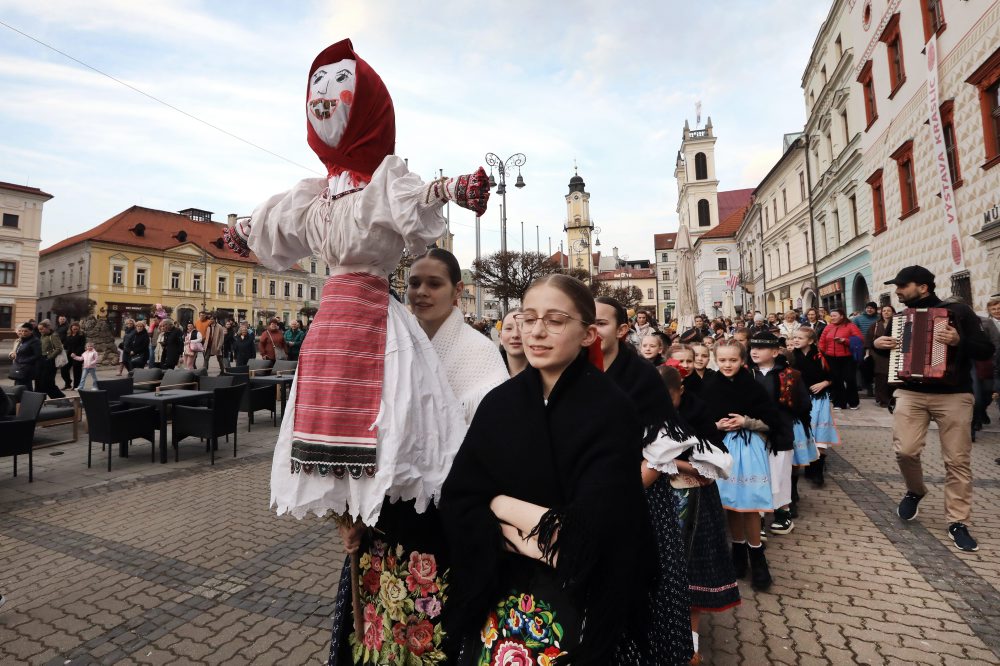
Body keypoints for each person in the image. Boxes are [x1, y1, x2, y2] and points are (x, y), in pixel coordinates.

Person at [224, 39, 492, 666]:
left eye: (337, 92)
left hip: (369, 315)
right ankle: (349, 512)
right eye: (317, 92)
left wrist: (455, 188)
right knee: (333, 419)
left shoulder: (381, 186)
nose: (322, 102)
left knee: (396, 415)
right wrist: (239, 234)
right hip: (335, 326)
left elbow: (420, 196)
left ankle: (374, 516)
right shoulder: (313, 195)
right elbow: (276, 228)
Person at [442, 275, 661, 665]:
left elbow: (586, 540)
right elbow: (459, 498)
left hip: (580, 605)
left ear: (588, 334)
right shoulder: (499, 404)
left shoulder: (611, 410)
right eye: (528, 319)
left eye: (555, 320)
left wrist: (496, 505)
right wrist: (539, 527)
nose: (537, 332)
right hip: (499, 592)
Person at [596, 296, 696, 665]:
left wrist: (619, 491)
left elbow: (664, 444)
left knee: (648, 589)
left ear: (623, 330)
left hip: (640, 499)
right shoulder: (575, 370)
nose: (591, 328)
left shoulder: (642, 377)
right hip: (591, 502)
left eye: (601, 323)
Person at [874, 266, 994, 552]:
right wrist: (879, 345)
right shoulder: (900, 318)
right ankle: (915, 491)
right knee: (905, 450)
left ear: (923, 287)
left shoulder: (959, 312)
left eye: (903, 286)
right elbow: (889, 350)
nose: (898, 291)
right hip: (910, 392)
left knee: (957, 460)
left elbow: (986, 349)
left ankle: (957, 521)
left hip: (953, 394)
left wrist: (958, 341)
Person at [655, 365, 740, 663]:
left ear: (681, 392)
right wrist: (680, 464)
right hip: (657, 498)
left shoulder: (697, 411)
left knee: (692, 574)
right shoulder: (642, 411)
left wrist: (681, 464)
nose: (664, 406)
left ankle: (689, 647)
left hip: (696, 500)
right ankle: (661, 638)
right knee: (661, 570)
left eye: (670, 398)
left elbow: (714, 463)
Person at [706, 339, 789, 591]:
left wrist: (746, 421)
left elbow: (771, 421)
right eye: (722, 360)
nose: (727, 364)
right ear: (716, 360)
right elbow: (699, 421)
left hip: (750, 448)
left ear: (742, 361)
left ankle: (758, 557)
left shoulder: (752, 387)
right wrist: (716, 425)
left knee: (751, 504)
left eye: (733, 360)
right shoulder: (710, 386)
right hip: (722, 450)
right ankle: (738, 553)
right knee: (731, 503)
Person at [748, 331, 813, 530]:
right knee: (756, 474)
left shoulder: (790, 375)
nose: (755, 352)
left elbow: (803, 404)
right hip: (753, 434)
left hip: (781, 432)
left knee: (780, 473)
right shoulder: (747, 373)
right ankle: (756, 515)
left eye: (761, 348)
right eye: (752, 347)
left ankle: (783, 512)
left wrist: (786, 409)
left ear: (775, 351)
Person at [788, 328, 838, 487]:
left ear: (810, 341)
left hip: (819, 400)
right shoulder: (790, 356)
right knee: (802, 433)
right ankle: (805, 462)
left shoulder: (821, 356)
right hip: (800, 400)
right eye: (794, 337)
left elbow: (834, 376)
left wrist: (825, 383)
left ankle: (817, 470)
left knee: (819, 434)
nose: (796, 340)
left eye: (800, 338)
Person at [818, 308, 863, 410]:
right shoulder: (828, 327)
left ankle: (853, 402)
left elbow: (859, 339)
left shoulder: (850, 326)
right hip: (831, 357)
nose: (832, 318)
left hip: (848, 357)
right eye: (831, 316)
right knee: (836, 379)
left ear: (842, 316)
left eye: (835, 316)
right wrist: (822, 352)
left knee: (850, 379)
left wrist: (845, 341)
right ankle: (839, 402)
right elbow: (822, 341)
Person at [867, 305, 897, 408]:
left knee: (893, 377)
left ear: (893, 312)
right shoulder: (875, 325)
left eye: (889, 310)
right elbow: (868, 340)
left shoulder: (898, 324)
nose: (886, 312)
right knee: (881, 377)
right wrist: (868, 354)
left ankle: (893, 398)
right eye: (884, 311)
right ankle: (883, 400)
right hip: (878, 355)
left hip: (894, 353)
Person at [36, 319, 66, 399]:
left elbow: (59, 348)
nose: (40, 331)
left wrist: (49, 357)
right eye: (39, 329)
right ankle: (39, 400)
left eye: (41, 329)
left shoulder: (53, 335)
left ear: (47, 328)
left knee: (47, 382)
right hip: (41, 360)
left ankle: (60, 398)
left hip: (49, 361)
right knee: (39, 381)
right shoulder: (42, 336)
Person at [9, 323, 41, 390]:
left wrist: (24, 361)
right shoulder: (21, 340)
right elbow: (16, 351)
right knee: (18, 386)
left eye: (26, 331)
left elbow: (37, 355)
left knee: (24, 387)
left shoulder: (35, 341)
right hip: (19, 367)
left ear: (31, 331)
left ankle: (28, 400)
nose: (23, 333)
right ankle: (19, 399)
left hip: (27, 368)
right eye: (22, 331)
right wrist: (13, 355)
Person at [498, 309, 527, 377]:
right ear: (500, 337)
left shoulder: (547, 377)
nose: (515, 335)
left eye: (522, 328)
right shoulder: (488, 377)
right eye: (508, 328)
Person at [63, 322, 86, 391]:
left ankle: (76, 386)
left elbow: (82, 346)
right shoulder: (68, 335)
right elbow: (66, 345)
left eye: (76, 327)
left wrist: (76, 353)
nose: (75, 328)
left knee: (77, 371)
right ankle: (68, 384)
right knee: (64, 369)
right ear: (71, 327)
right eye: (74, 327)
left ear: (79, 328)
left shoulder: (81, 335)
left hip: (78, 355)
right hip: (69, 355)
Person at [56, 314, 72, 389]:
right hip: (57, 348)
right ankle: (68, 383)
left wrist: (64, 344)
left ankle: (68, 383)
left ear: (65, 320)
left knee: (64, 368)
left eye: (63, 319)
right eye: (61, 319)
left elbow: (68, 337)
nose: (62, 320)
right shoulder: (57, 327)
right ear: (58, 319)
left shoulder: (67, 327)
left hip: (64, 349)